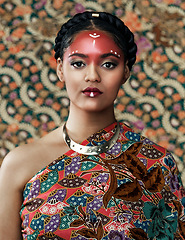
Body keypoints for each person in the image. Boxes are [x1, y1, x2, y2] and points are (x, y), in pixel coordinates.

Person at [0, 11, 185, 240]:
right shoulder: (18, 166)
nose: (92, 76)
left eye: (108, 64)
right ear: (60, 68)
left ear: (125, 71)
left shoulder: (157, 163)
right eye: (78, 63)